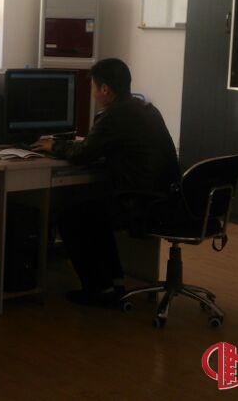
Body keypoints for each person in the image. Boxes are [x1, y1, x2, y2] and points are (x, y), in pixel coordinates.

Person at [32, 58, 180, 306]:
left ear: (105, 89)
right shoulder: (147, 109)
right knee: (91, 209)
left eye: (93, 87)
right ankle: (113, 282)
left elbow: (83, 154)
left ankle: (97, 288)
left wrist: (53, 145)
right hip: (163, 198)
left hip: (138, 202)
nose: (92, 92)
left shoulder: (114, 116)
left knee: (71, 215)